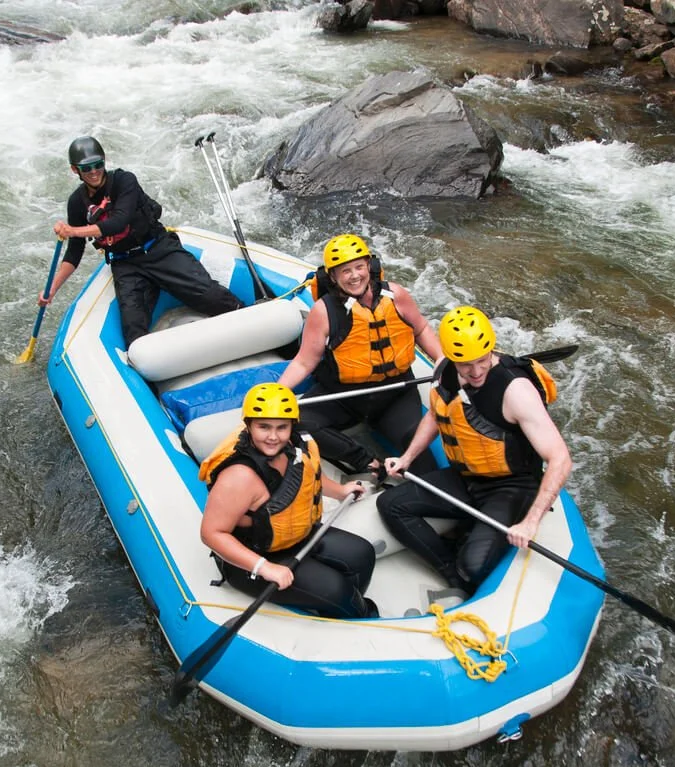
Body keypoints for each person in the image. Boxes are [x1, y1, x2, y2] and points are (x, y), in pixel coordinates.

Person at [377, 305, 572, 594]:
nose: (476, 371)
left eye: (482, 360)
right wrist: (406, 459)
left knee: (473, 568)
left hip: (511, 487)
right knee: (390, 505)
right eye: (466, 365)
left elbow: (560, 459)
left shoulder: (516, 391)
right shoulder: (444, 369)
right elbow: (436, 414)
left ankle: (465, 565)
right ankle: (448, 572)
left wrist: (531, 522)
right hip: (465, 477)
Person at [38, 136, 244, 347]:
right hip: (125, 264)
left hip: (157, 249)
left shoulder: (124, 181)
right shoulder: (76, 202)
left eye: (98, 164)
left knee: (210, 295)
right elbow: (74, 252)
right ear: (75, 170)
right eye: (87, 167)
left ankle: (245, 315)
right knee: (134, 333)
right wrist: (52, 288)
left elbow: (119, 222)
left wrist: (73, 230)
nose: (94, 171)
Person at [199, 383, 379, 619]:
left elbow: (309, 476)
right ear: (249, 426)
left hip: (295, 535)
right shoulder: (239, 477)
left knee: (363, 553)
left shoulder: (297, 444)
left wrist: (341, 491)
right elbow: (211, 533)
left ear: (292, 426)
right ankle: (356, 613)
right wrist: (264, 568)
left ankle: (343, 607)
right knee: (336, 590)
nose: (273, 437)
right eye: (263, 427)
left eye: (281, 427)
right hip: (254, 555)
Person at [276, 233, 442, 480]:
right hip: (345, 396)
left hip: (395, 393)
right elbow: (304, 361)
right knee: (297, 422)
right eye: (345, 271)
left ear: (370, 267)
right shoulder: (323, 311)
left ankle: (434, 493)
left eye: (359, 267)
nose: (355, 276)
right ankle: (366, 460)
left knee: (414, 439)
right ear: (333, 276)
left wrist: (442, 360)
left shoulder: (395, 295)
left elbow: (421, 329)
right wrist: (278, 393)